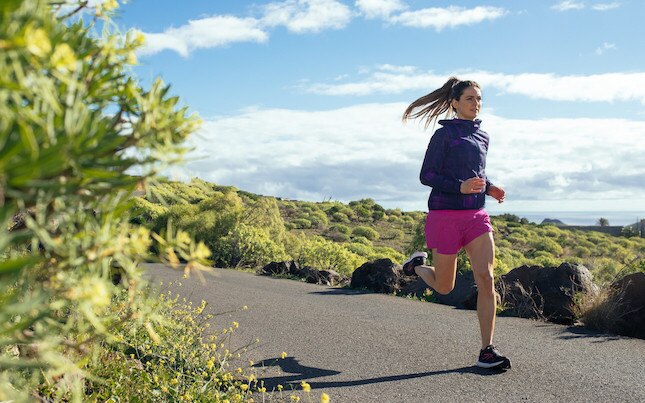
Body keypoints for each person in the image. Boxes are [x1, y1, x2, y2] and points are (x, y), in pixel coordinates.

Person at [401, 77, 511, 370]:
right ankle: (417, 266)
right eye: (470, 99)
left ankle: (487, 350)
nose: (476, 104)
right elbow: (427, 175)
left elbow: (477, 174)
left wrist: (490, 188)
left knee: (486, 279)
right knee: (445, 286)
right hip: (445, 216)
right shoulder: (443, 136)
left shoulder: (483, 136)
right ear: (454, 103)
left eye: (479, 99)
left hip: (476, 216)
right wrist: (459, 187)